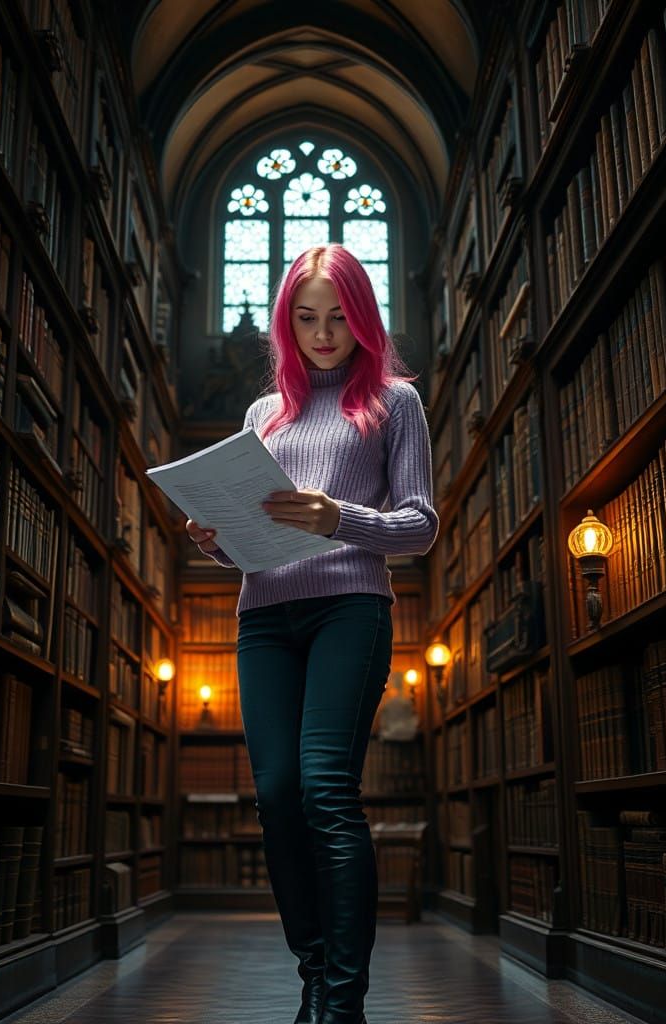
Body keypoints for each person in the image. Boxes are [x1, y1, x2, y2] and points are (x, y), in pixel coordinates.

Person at [186, 244, 439, 1024]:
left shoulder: (396, 402)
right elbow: (254, 535)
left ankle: (342, 1001)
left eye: (338, 316)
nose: (322, 332)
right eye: (306, 317)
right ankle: (314, 973)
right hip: (264, 616)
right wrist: (218, 538)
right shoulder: (266, 414)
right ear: (285, 323)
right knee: (277, 797)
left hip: (348, 610)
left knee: (327, 791)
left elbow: (420, 525)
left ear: (363, 318)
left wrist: (341, 517)